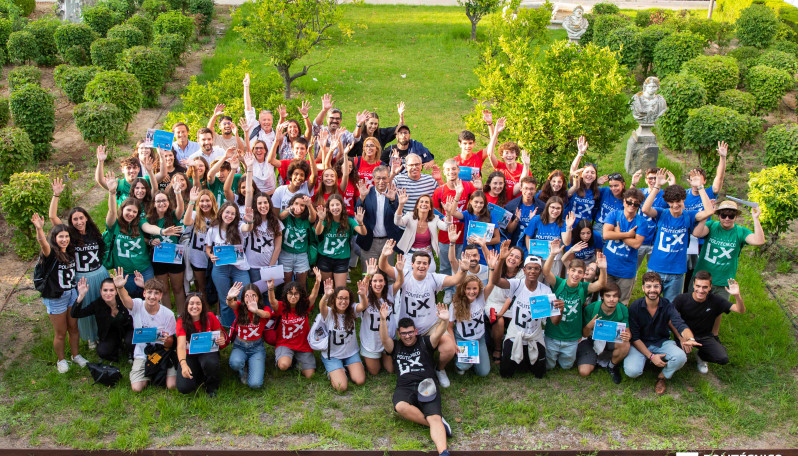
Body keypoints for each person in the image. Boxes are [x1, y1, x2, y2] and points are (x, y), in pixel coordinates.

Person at [379, 240, 467, 388]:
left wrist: (463, 270)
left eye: (425, 263)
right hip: (409, 330)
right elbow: (383, 266)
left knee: (449, 348)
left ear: (429, 265)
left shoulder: (433, 277)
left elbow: (454, 280)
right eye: (418, 263)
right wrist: (384, 254)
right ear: (412, 264)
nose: (421, 266)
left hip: (431, 325)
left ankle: (440, 369)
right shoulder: (404, 274)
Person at [379, 302, 454, 456]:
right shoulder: (395, 346)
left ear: (416, 331)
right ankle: (437, 424)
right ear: (399, 334)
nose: (408, 336)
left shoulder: (424, 342)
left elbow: (438, 333)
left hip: (426, 384)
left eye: (410, 332)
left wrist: (445, 321)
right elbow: (384, 338)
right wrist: (382, 320)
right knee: (400, 407)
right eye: (404, 333)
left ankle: (443, 452)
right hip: (404, 386)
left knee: (434, 417)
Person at [49, 178, 108, 348]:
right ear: (71, 222)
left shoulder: (94, 233)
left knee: (101, 304)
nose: (79, 222)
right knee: (86, 306)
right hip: (82, 277)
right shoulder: (69, 235)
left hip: (100, 273)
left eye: (81, 218)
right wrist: (56, 195)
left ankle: (102, 333)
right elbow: (52, 217)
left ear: (87, 218)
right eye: (75, 219)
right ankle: (90, 337)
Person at [641, 168, 714, 303]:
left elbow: (709, 211)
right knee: (650, 303)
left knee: (671, 306)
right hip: (656, 267)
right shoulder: (661, 213)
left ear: (683, 199)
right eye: (671, 202)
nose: (675, 205)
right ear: (667, 202)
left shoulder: (689, 216)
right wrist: (657, 186)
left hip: (677, 270)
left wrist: (700, 187)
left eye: (678, 201)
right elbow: (645, 209)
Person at [490, 249, 563, 379]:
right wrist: (501, 259)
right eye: (529, 268)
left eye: (536, 269)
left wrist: (560, 311)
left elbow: (555, 322)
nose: (532, 271)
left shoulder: (545, 290)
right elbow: (496, 281)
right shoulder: (516, 284)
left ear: (540, 271)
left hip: (534, 335)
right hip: (515, 333)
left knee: (539, 373)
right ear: (524, 270)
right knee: (505, 373)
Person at [624, 271, 700, 395]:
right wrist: (651, 356)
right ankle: (649, 360)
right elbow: (635, 338)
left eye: (656, 286)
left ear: (661, 287)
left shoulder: (667, 305)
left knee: (681, 357)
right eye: (648, 286)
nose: (652, 290)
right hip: (641, 343)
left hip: (661, 342)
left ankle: (662, 376)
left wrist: (689, 338)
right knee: (632, 371)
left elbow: (679, 323)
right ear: (643, 288)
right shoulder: (635, 307)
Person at [105, 176, 182, 294]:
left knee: (149, 297)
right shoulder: (114, 225)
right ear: (122, 210)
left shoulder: (139, 222)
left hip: (144, 269)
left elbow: (149, 228)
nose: (131, 214)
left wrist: (162, 232)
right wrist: (111, 193)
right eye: (128, 210)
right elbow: (111, 211)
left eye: (134, 212)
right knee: (129, 301)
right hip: (124, 272)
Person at [32, 213, 87, 373]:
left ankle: (76, 356)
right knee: (61, 332)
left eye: (66, 236)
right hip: (56, 297)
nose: (64, 239)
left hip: (71, 294)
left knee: (74, 328)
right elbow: (43, 244)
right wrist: (40, 229)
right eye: (60, 237)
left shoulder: (69, 252)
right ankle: (61, 360)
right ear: (54, 238)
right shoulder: (51, 254)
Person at [542, 240, 607, 370]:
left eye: (579, 272)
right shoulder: (559, 283)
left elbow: (601, 284)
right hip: (553, 334)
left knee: (566, 366)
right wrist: (553, 255)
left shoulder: (584, 287)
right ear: (568, 271)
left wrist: (603, 268)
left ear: (583, 274)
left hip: (572, 337)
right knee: (548, 366)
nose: (576, 274)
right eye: (573, 271)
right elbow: (546, 272)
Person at [112, 270, 177, 392]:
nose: (152, 296)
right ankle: (150, 373)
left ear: (161, 296)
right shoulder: (137, 305)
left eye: (156, 293)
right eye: (150, 292)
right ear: (144, 293)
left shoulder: (168, 314)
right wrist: (120, 287)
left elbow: (170, 343)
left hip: (162, 352)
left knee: (172, 386)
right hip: (142, 352)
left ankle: (156, 372)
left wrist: (166, 339)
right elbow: (126, 300)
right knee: (137, 388)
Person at [673, 271, 745, 374]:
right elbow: (670, 318)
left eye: (705, 287)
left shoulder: (716, 300)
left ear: (710, 287)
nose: (701, 290)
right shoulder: (681, 299)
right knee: (678, 358)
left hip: (704, 336)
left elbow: (740, 310)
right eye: (698, 286)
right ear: (693, 285)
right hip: (684, 336)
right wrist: (680, 337)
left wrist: (737, 295)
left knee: (723, 358)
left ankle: (701, 355)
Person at [434, 159, 479, 303]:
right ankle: (448, 290)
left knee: (461, 264)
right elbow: (436, 214)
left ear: (459, 170)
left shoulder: (468, 186)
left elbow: (477, 206)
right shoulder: (439, 191)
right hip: (446, 236)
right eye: (448, 170)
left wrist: (480, 188)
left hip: (464, 234)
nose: (451, 172)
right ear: (444, 171)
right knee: (446, 264)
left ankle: (460, 290)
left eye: (454, 169)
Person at [448, 252, 500, 377]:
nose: (472, 292)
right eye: (469, 289)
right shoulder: (455, 304)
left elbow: (491, 284)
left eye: (475, 289)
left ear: (479, 289)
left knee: (483, 372)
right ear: (464, 290)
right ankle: (459, 363)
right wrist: (454, 344)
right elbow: (449, 326)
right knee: (464, 367)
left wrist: (492, 268)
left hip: (478, 338)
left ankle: (473, 359)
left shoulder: (481, 297)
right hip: (462, 338)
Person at [267, 270, 322, 378]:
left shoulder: (304, 306)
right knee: (283, 365)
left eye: (296, 293)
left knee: (310, 375)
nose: (293, 296)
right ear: (286, 295)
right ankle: (289, 359)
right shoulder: (281, 306)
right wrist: (270, 288)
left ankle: (297, 361)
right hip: (285, 343)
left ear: (300, 295)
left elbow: (314, 295)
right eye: (290, 293)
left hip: (303, 345)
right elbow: (272, 301)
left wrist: (317, 282)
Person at [205, 202, 251, 327]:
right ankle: (228, 327)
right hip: (220, 268)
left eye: (233, 213)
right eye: (227, 212)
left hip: (239, 267)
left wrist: (250, 222)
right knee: (225, 299)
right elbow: (208, 247)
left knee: (245, 296)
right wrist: (211, 256)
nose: (229, 216)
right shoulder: (213, 229)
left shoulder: (239, 226)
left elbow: (247, 229)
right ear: (221, 212)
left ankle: (244, 325)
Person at [355, 259, 403, 375]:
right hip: (371, 340)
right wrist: (368, 275)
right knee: (374, 372)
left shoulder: (389, 293)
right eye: (375, 281)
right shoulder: (365, 295)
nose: (378, 284)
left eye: (381, 280)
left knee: (391, 370)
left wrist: (400, 271)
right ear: (371, 283)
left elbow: (400, 282)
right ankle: (374, 356)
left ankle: (385, 355)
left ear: (385, 282)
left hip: (388, 338)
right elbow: (363, 288)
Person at [175, 292, 227, 397]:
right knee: (184, 388)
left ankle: (211, 386)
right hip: (189, 354)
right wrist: (183, 364)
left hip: (207, 351)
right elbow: (180, 346)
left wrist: (221, 340)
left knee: (210, 362)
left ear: (202, 306)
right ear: (187, 306)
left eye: (198, 303)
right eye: (191, 303)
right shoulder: (182, 321)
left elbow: (220, 334)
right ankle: (199, 375)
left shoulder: (210, 317)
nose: (195, 306)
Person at [71, 277, 134, 363]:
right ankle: (118, 349)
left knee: (131, 341)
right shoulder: (97, 304)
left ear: (116, 292)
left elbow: (142, 297)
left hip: (127, 329)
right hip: (110, 334)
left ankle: (131, 351)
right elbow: (75, 314)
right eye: (105, 290)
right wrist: (81, 296)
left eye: (111, 290)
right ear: (101, 291)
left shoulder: (123, 299)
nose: (108, 293)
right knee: (103, 352)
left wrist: (142, 286)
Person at [577, 282, 630, 383]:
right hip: (590, 339)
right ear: (602, 297)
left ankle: (612, 366)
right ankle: (592, 359)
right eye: (608, 296)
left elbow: (627, 332)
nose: (611, 299)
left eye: (615, 296)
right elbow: (584, 334)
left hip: (611, 338)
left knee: (625, 345)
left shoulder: (622, 309)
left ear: (619, 297)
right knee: (584, 372)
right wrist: (590, 326)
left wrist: (627, 336)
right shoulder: (591, 308)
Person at [602, 188, 648, 304]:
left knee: (622, 302)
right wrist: (628, 234)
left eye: (636, 203)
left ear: (639, 205)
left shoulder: (641, 222)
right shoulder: (614, 214)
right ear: (624, 201)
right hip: (608, 266)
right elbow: (606, 235)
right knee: (604, 299)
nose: (632, 205)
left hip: (627, 269)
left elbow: (637, 244)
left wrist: (618, 234)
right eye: (629, 202)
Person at [318, 279, 366, 392]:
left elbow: (363, 306)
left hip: (350, 353)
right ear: (334, 299)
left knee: (360, 380)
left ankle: (344, 368)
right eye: (340, 298)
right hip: (333, 355)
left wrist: (363, 295)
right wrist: (326, 295)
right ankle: (335, 370)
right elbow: (321, 306)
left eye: (346, 298)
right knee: (341, 387)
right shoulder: (329, 312)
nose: (343, 301)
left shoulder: (352, 310)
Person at [147, 185, 186, 312]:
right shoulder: (149, 220)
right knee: (163, 290)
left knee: (178, 288)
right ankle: (167, 315)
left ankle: (181, 317)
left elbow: (181, 209)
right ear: (154, 204)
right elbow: (143, 237)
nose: (161, 203)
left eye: (164, 200)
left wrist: (178, 193)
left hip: (175, 256)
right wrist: (151, 241)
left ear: (169, 203)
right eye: (158, 201)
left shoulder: (174, 215)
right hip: (159, 258)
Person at [314, 194, 368, 288]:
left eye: (337, 204)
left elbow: (363, 233)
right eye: (332, 205)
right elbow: (318, 232)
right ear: (328, 208)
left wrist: (361, 223)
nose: (335, 208)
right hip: (325, 257)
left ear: (342, 206)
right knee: (328, 288)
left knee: (340, 289)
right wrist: (321, 219)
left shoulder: (349, 221)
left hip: (342, 259)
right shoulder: (326, 220)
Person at [485, 241, 525, 364]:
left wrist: (503, 312)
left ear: (520, 262)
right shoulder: (497, 265)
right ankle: (497, 348)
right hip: (493, 302)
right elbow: (489, 256)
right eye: (511, 255)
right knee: (499, 320)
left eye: (517, 257)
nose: (513, 258)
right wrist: (483, 245)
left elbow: (512, 297)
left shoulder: (522, 275)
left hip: (511, 305)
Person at [226, 282, 272, 388]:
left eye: (253, 295)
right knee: (235, 363)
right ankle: (243, 369)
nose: (250, 298)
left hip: (257, 348)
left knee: (255, 384)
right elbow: (230, 303)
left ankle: (253, 364)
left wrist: (255, 310)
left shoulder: (264, 309)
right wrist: (229, 297)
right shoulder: (239, 307)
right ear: (243, 298)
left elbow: (267, 314)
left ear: (258, 297)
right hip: (240, 345)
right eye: (247, 295)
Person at [356, 166, 402, 265]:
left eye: (384, 178)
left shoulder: (394, 193)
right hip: (369, 241)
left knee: (388, 274)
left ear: (389, 178)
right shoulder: (366, 193)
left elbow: (398, 215)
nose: (381, 181)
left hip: (388, 241)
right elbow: (358, 213)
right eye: (378, 178)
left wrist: (392, 201)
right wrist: (362, 198)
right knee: (367, 274)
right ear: (373, 179)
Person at [394, 193, 450, 273]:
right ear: (417, 205)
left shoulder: (435, 219)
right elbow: (397, 222)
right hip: (410, 254)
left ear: (430, 207)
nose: (424, 204)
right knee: (406, 275)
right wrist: (401, 205)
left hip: (427, 255)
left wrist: (448, 213)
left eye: (427, 202)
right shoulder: (410, 216)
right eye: (421, 202)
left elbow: (446, 227)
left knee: (431, 272)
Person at [630, 167, 672, 268]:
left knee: (654, 270)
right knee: (632, 268)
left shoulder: (665, 195)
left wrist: (672, 186)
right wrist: (633, 184)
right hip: (639, 236)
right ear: (645, 180)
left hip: (656, 240)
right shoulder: (640, 193)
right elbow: (627, 201)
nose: (653, 181)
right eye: (650, 178)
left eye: (655, 178)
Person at [182, 187, 218, 300]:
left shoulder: (217, 217)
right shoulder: (195, 215)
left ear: (213, 202)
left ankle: (217, 314)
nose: (205, 204)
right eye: (202, 201)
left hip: (213, 257)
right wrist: (192, 201)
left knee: (216, 286)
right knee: (202, 288)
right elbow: (186, 222)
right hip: (198, 256)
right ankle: (205, 312)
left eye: (208, 201)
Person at [278, 194, 318, 286]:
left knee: (301, 284)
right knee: (287, 284)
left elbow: (313, 218)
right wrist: (291, 208)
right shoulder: (287, 215)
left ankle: (301, 300)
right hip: (286, 253)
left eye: (302, 205)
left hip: (302, 255)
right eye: (296, 203)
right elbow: (281, 216)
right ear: (292, 203)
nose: (298, 207)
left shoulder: (306, 218)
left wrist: (309, 205)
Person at [244, 191, 283, 285]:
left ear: (269, 204)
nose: (263, 205)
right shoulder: (251, 220)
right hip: (253, 266)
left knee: (268, 293)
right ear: (255, 205)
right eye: (259, 203)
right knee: (256, 292)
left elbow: (278, 247)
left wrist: (271, 266)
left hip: (269, 265)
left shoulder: (276, 222)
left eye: (265, 202)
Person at [485, 116, 529, 197]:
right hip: (501, 201)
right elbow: (490, 154)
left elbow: (523, 184)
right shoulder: (499, 167)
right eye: (506, 153)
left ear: (516, 155)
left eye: (512, 152)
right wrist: (496, 133)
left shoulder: (523, 169)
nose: (509, 155)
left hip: (516, 203)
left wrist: (526, 165)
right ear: (502, 155)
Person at [312, 93, 357, 162]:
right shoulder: (321, 131)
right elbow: (316, 125)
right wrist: (324, 110)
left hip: (338, 166)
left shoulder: (343, 133)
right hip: (320, 165)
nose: (334, 121)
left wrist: (358, 125)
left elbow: (355, 138)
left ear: (341, 120)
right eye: (332, 118)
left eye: (337, 119)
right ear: (327, 119)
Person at [567, 137, 600, 224]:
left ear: (595, 176)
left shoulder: (596, 192)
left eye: (592, 173)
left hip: (585, 229)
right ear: (581, 175)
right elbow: (573, 171)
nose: (589, 175)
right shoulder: (576, 186)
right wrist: (580, 154)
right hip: (571, 225)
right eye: (587, 172)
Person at [243, 73, 278, 150]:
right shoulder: (253, 127)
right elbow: (248, 108)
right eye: (264, 120)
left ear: (272, 121)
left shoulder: (275, 135)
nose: (266, 122)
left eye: (269, 120)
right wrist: (246, 86)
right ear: (259, 121)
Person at [504, 177, 539, 246]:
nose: (528, 192)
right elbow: (509, 230)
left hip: (533, 244)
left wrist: (533, 221)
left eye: (531, 189)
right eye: (526, 188)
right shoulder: (510, 206)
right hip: (514, 244)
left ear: (535, 190)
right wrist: (516, 219)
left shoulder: (541, 207)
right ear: (521, 188)